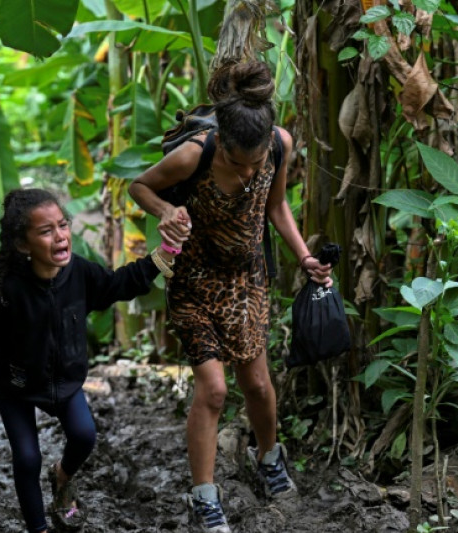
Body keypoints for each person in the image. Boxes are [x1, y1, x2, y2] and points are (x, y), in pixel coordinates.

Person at [0, 188, 184, 533]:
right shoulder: (8, 292)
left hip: (65, 382)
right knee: (27, 458)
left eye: (63, 225)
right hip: (16, 386)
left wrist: (163, 255)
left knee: (84, 436)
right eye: (46, 231)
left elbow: (117, 285)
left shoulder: (79, 274)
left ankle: (61, 477)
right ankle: (38, 527)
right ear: (24, 245)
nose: (60, 236)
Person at [128, 61, 333, 533]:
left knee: (258, 385)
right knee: (215, 390)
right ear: (223, 142)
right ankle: (204, 496)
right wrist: (165, 210)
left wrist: (304, 258)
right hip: (194, 279)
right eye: (237, 163)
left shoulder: (279, 145)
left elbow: (276, 205)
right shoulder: (194, 154)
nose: (248, 171)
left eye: (255, 162)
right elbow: (139, 186)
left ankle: (269, 459)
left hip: (246, 279)